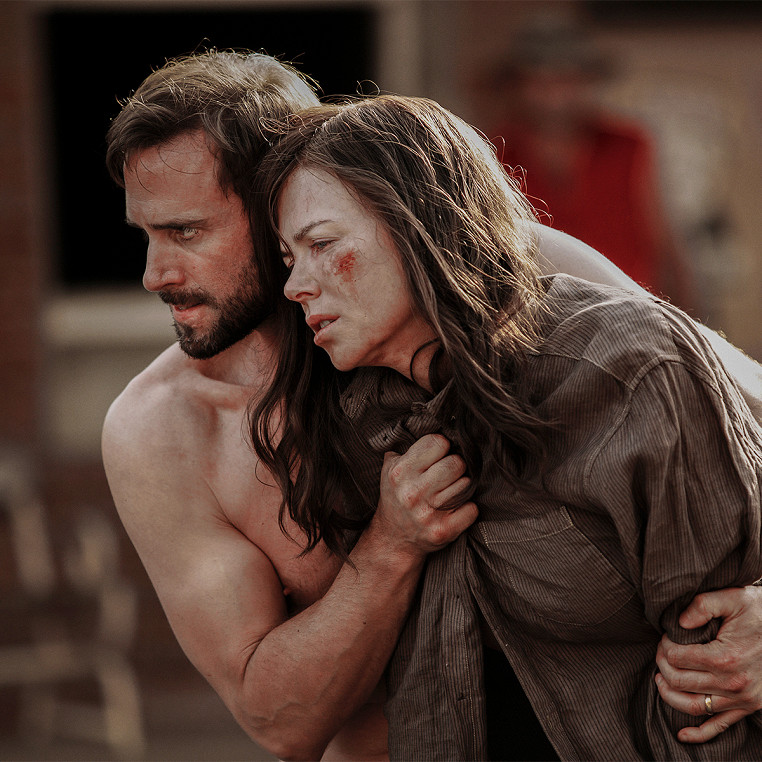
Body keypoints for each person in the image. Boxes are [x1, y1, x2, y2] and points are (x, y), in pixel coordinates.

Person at [102, 51, 762, 760]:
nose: (153, 275)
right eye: (147, 234)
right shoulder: (164, 430)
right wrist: (390, 547)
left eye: (187, 231)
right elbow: (279, 722)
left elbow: (726, 406)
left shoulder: (484, 265)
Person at [486, 15, 698, 311]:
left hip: (633, 312)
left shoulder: (629, 145)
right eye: (539, 81)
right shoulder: (492, 154)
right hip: (537, 321)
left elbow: (666, 244)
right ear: (517, 86)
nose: (553, 94)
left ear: (586, 82)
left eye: (565, 80)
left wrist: (688, 321)